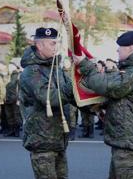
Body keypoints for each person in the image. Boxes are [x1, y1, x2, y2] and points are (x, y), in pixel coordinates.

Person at [73, 31, 133, 179]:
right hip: (126, 140)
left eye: (120, 47)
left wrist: (85, 64)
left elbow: (104, 85)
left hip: (128, 142)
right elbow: (115, 97)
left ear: (130, 48)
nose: (117, 50)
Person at [19, 27, 76, 179]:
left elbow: (71, 96)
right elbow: (49, 97)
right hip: (42, 139)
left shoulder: (56, 69)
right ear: (39, 45)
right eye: (52, 43)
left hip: (57, 139)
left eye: (57, 43)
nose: (56, 47)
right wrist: (74, 87)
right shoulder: (32, 71)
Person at [4, 62, 22, 137]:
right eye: (9, 67)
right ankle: (11, 130)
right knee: (9, 116)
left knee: (16, 115)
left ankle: (17, 131)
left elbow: (20, 88)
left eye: (11, 67)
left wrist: (19, 99)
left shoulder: (18, 75)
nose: (10, 68)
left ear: (15, 67)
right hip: (7, 98)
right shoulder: (7, 75)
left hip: (15, 99)